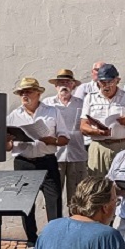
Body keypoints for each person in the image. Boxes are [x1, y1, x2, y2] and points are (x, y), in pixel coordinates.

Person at [6, 77, 69, 246]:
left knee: (54, 200)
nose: (24, 94)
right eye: (22, 92)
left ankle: (55, 240)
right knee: (25, 205)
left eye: (28, 91)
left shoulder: (53, 111)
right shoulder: (13, 115)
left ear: (38, 93)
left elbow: (64, 138)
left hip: (47, 162)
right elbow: (7, 146)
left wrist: (52, 141)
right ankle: (31, 241)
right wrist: (8, 140)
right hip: (23, 164)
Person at [80, 64, 125, 178]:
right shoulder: (90, 98)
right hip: (99, 146)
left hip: (122, 145)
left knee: (123, 182)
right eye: (102, 82)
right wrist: (97, 132)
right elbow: (83, 126)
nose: (106, 85)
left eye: (110, 82)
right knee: (97, 184)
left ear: (117, 81)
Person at [43, 69, 88, 209]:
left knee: (77, 197)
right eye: (61, 82)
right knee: (53, 195)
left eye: (67, 82)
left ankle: (75, 226)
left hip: (77, 154)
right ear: (56, 86)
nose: (64, 85)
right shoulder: (47, 103)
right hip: (55, 156)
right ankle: (55, 226)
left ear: (73, 85)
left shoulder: (82, 103)